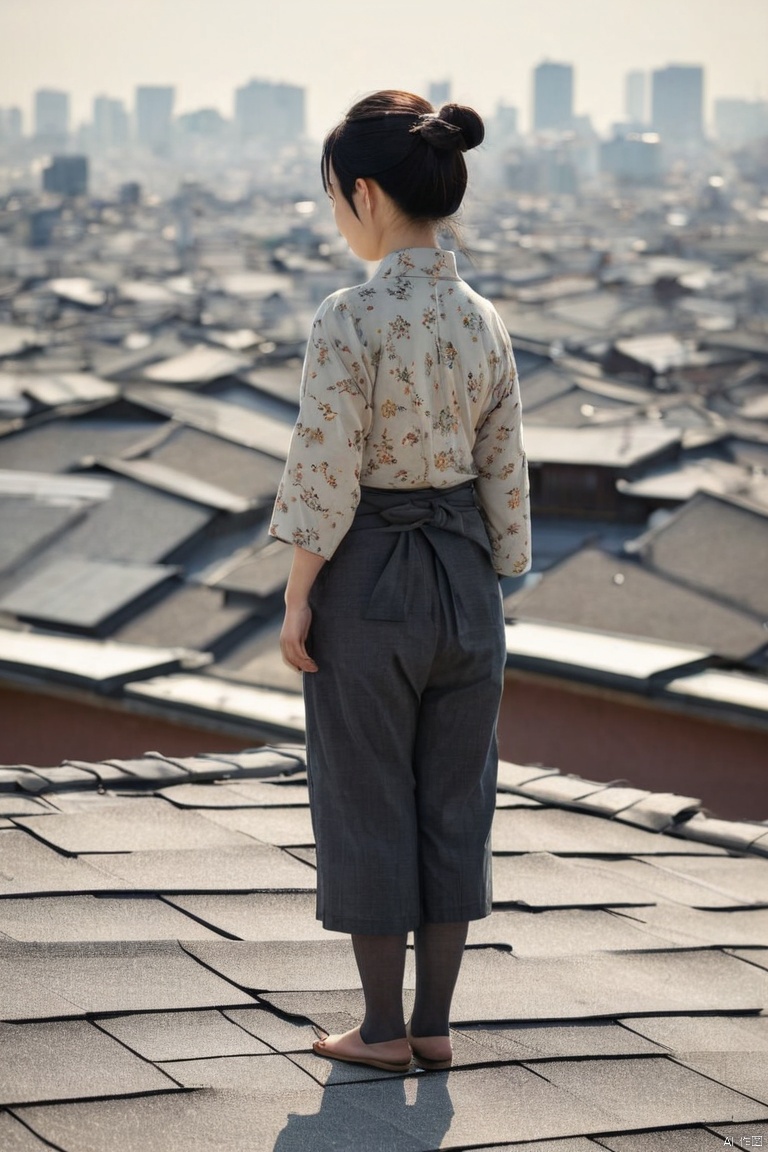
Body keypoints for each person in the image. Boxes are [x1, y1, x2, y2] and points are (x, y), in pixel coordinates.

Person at [269, 90, 530, 1075]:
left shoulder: (350, 316)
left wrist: (300, 595)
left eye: (335, 198)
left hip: (370, 571)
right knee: (455, 800)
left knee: (365, 794)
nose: (337, 216)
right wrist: (496, 572)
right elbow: (507, 468)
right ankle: (437, 1025)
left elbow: (323, 468)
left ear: (366, 196)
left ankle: (378, 1031)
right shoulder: (484, 320)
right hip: (466, 576)